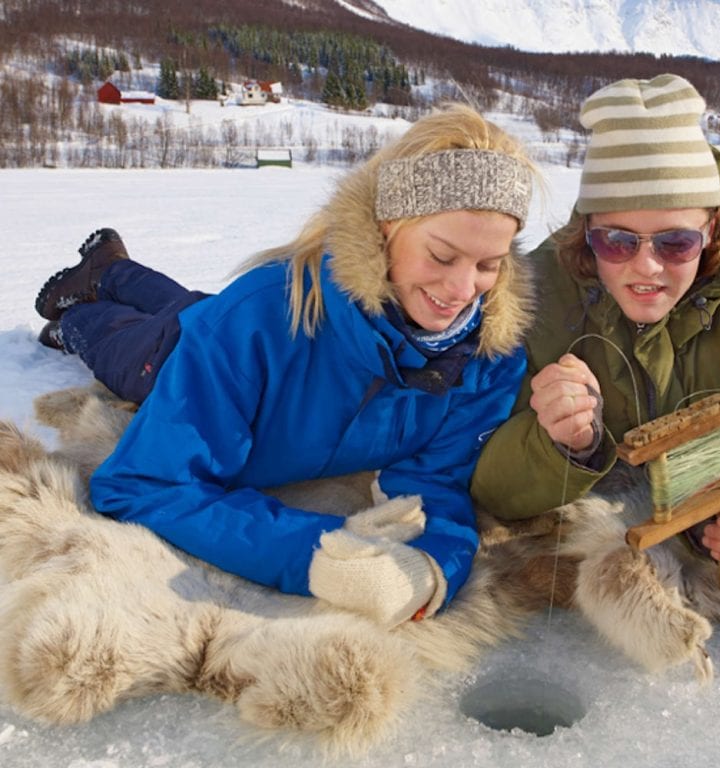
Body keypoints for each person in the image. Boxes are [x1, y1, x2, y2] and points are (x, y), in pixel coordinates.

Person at [33, 104, 538, 628]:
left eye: (488, 265)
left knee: (186, 303)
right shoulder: (255, 320)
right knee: (113, 335)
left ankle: (113, 268)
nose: (462, 292)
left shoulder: (487, 358)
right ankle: (84, 305)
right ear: (387, 226)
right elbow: (143, 483)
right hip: (169, 356)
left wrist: (432, 567)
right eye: (441, 256)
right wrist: (316, 558)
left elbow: (438, 482)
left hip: (213, 317)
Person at [471, 74, 720, 568]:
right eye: (617, 241)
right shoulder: (525, 303)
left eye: (675, 243)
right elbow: (483, 481)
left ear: (711, 231)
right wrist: (563, 446)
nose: (645, 267)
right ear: (586, 233)